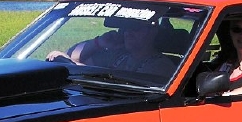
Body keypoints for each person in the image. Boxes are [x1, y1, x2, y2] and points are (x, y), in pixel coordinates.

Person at [46, 22, 177, 77]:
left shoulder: (161, 65)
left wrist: (74, 65)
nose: (128, 32)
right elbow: (74, 56)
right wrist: (99, 43)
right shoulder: (118, 56)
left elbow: (125, 85)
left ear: (153, 32)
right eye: (126, 27)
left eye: (136, 27)